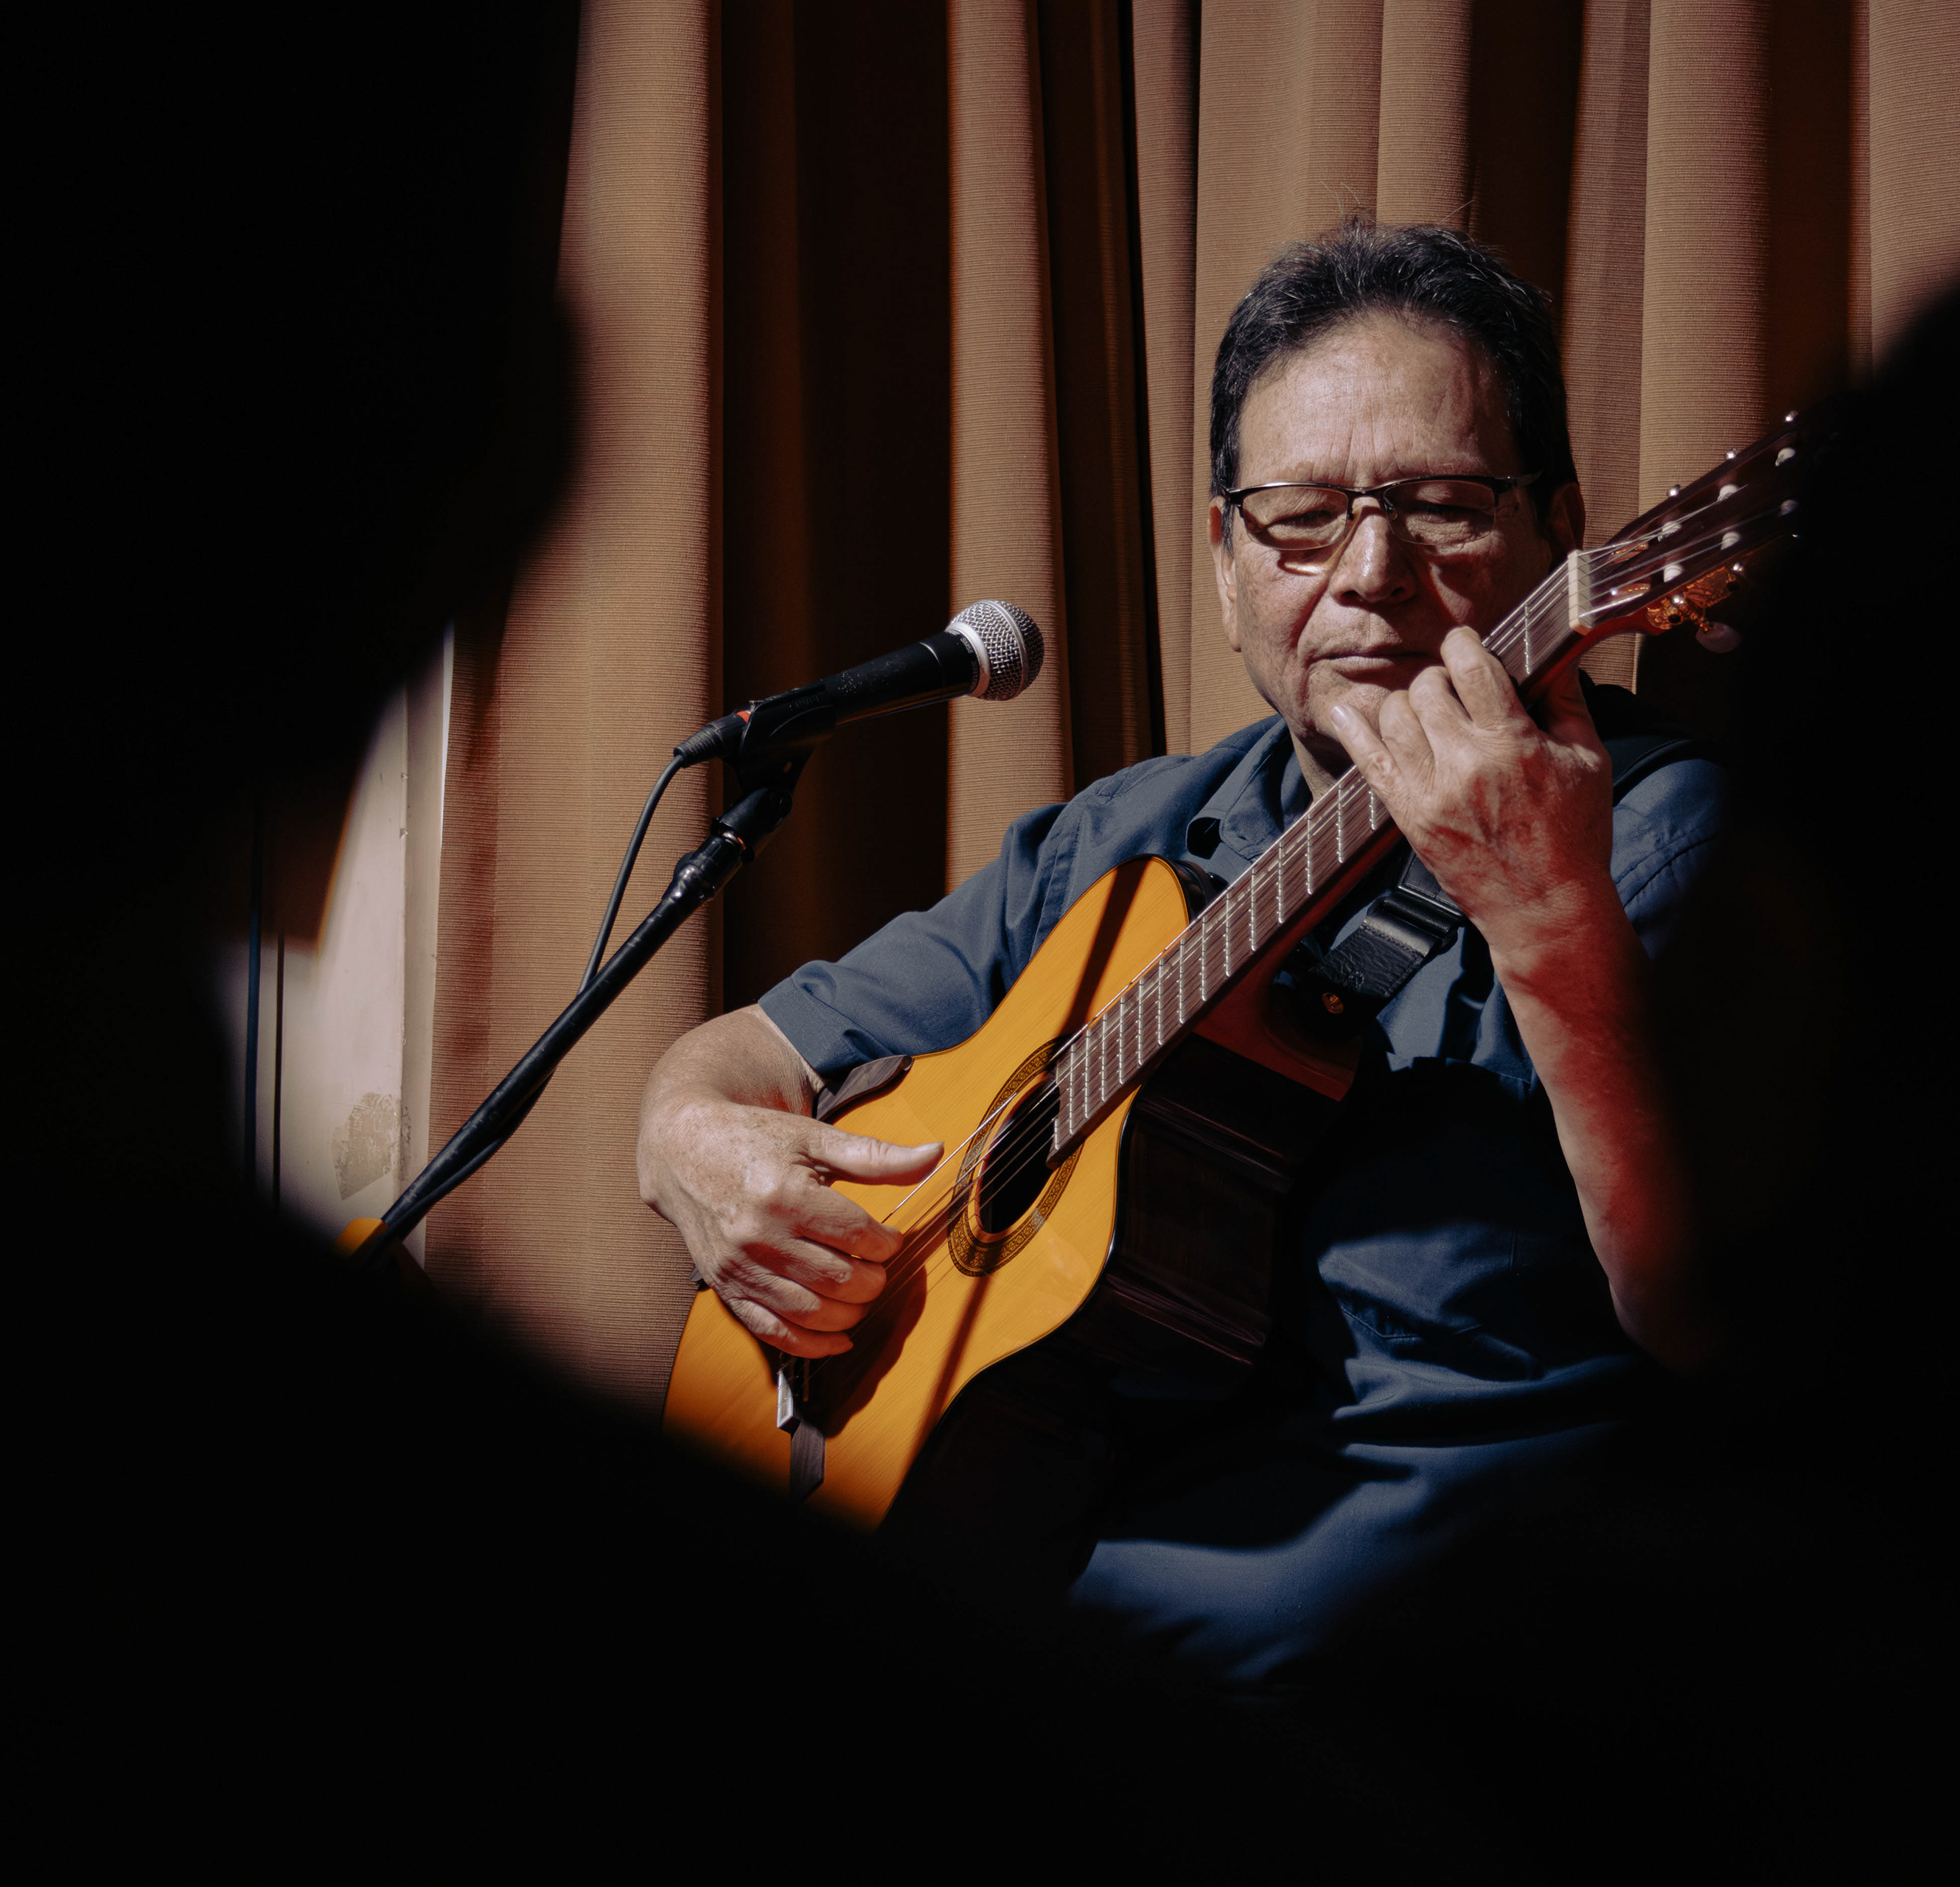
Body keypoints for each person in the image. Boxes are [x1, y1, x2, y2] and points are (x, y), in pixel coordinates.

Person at [637, 218, 1727, 1689]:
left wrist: (1548, 922)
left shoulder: (1674, 839)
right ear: (1224, 559)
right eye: (1300, 517)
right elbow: (742, 1054)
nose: (1371, 572)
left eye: (1447, 508)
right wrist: (700, 1143)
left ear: (1560, 531)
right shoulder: (1134, 836)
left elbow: (1721, 1321)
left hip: (1408, 1667)